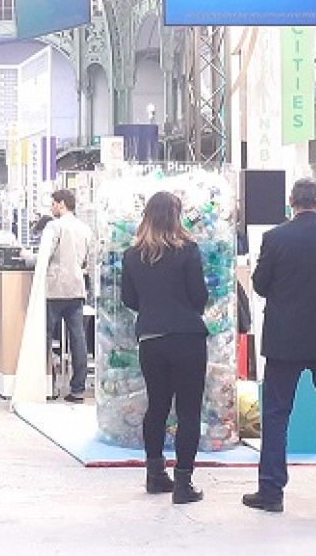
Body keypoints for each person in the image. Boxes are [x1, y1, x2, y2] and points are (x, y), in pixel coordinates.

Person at [243, 178, 316, 513]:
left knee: (277, 415)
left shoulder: (275, 238)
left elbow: (261, 285)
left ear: (291, 202)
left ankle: (271, 491)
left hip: (286, 340)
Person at [121, 191, 209, 504]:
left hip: (151, 337)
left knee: (157, 406)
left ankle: (155, 474)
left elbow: (128, 299)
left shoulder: (132, 255)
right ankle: (184, 483)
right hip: (187, 335)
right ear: (176, 215)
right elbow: (199, 295)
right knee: (188, 410)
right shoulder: (188, 250)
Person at [34, 190, 95, 403]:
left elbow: (44, 256)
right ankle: (78, 388)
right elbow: (88, 260)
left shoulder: (54, 226)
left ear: (61, 204)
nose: (51, 207)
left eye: (53, 204)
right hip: (76, 288)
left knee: (46, 336)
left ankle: (44, 384)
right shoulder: (85, 229)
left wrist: (26, 257)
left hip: (54, 288)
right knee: (78, 338)